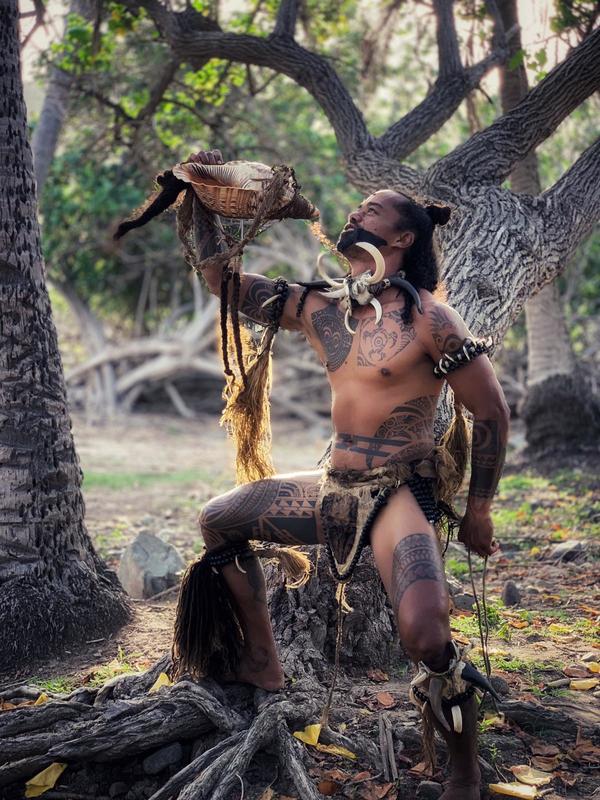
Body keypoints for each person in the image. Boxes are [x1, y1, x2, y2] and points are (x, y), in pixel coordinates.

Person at [175, 149, 509, 800]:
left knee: (427, 636)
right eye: (361, 204)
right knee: (218, 520)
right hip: (334, 487)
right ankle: (263, 663)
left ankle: (464, 763)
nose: (359, 209)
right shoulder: (319, 307)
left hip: (398, 496)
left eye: (375, 207)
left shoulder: (431, 320)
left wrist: (478, 509)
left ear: (402, 238)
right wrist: (200, 198)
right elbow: (226, 284)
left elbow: (491, 411)